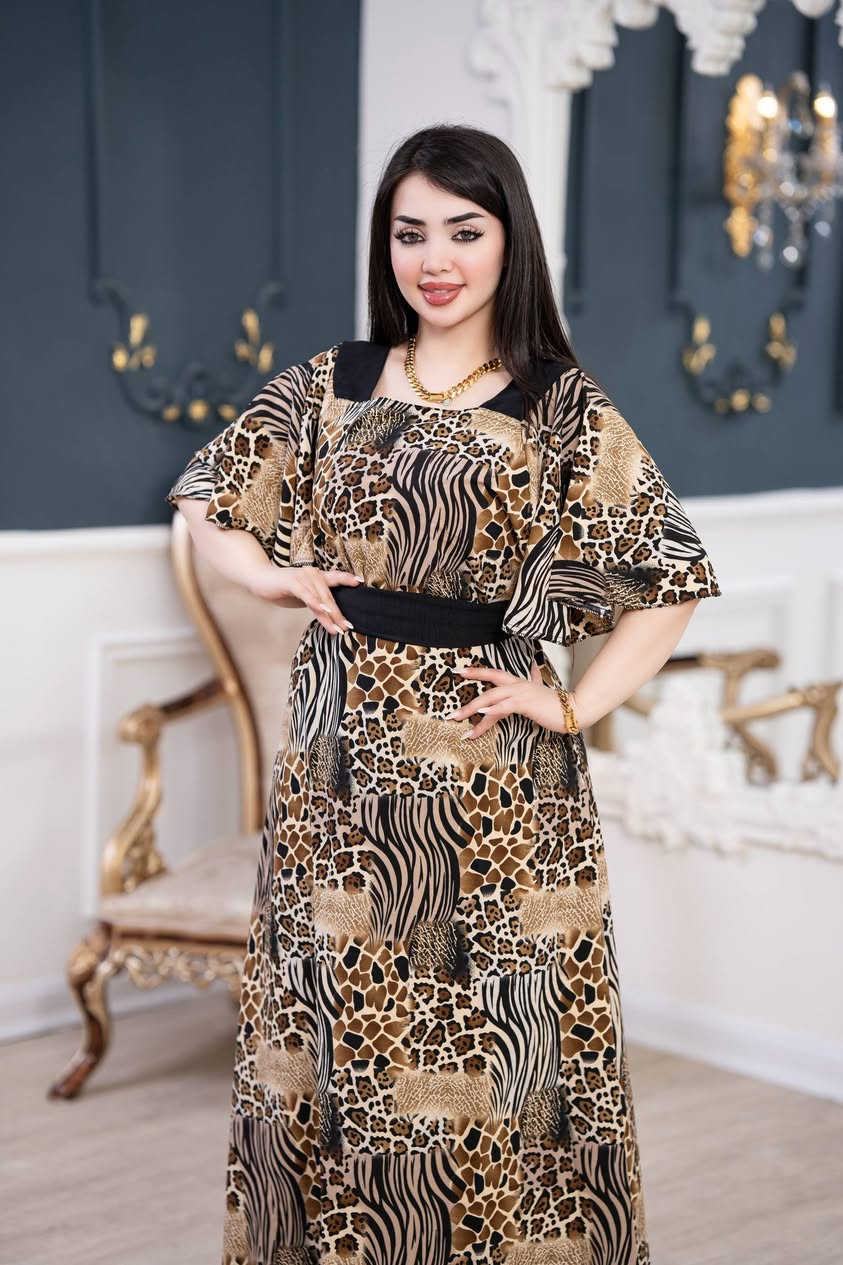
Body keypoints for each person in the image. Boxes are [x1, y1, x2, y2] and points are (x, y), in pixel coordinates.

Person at [167, 123, 721, 1265]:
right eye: (409, 233)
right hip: (339, 764)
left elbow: (668, 579)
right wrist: (272, 576)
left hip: (495, 779)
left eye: (463, 232)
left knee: (498, 1045)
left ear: (509, 241)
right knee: (331, 1027)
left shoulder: (559, 403)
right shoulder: (333, 380)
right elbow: (206, 499)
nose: (434, 259)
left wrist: (571, 707)